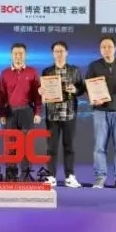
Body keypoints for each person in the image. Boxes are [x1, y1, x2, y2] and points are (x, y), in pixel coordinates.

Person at [85, 34, 116, 189]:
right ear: (100, 49)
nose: (106, 49)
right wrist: (93, 98)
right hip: (101, 110)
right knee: (99, 147)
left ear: (115, 48)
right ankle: (100, 177)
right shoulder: (94, 66)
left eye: (109, 46)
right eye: (103, 47)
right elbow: (88, 86)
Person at [39, 41, 85, 188]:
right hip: (52, 114)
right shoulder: (47, 71)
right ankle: (51, 175)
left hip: (69, 113)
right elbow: (43, 89)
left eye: (61, 51)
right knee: (51, 147)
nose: (59, 54)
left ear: (67, 53)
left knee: (69, 146)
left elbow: (82, 88)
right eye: (56, 51)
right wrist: (41, 91)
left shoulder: (74, 70)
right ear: (53, 54)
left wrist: (75, 90)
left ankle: (69, 176)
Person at [0, 43, 42, 176]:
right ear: (11, 55)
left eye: (21, 53)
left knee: (27, 145)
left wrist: (37, 112)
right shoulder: (5, 73)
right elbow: (1, 95)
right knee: (10, 145)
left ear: (25, 55)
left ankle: (25, 175)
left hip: (27, 111)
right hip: (10, 112)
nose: (18, 56)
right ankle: (11, 175)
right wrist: (2, 114)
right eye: (15, 53)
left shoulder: (32, 72)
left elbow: (37, 94)